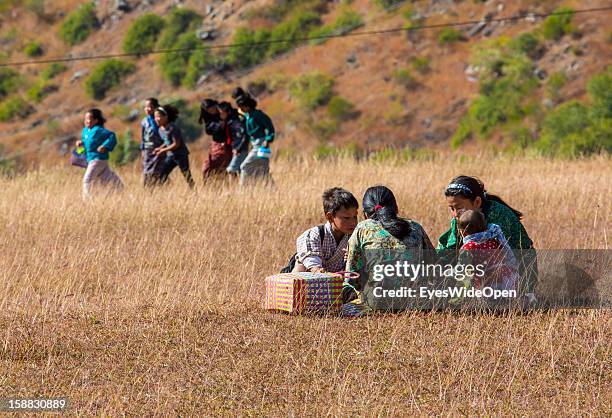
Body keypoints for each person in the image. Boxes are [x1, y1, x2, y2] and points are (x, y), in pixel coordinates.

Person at [436, 175, 537, 301]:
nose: (455, 213)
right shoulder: (459, 219)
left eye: (459, 207)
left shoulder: (498, 219)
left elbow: (505, 259)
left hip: (514, 273)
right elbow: (448, 250)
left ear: (477, 202)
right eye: (452, 208)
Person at [343, 186, 435, 311]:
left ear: (365, 214)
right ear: (395, 208)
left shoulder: (363, 228)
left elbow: (351, 278)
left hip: (377, 302)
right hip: (418, 301)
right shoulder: (415, 227)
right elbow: (433, 265)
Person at [292, 187, 359, 273]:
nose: (353, 222)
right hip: (312, 282)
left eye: (355, 217)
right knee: (300, 268)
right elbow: (313, 264)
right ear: (330, 217)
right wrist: (321, 272)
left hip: (340, 282)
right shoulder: (314, 235)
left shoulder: (355, 237)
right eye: (346, 218)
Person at [457, 209, 520, 292]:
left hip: (486, 285)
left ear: (463, 233)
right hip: (507, 279)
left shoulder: (468, 247)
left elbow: (462, 269)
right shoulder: (494, 242)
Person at [76, 108, 124, 200]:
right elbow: (85, 147)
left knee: (87, 180)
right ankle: (120, 192)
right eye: (85, 119)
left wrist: (105, 146)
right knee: (111, 180)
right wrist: (80, 146)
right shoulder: (85, 131)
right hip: (93, 160)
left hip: (97, 159)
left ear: (96, 120)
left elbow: (111, 136)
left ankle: (87, 202)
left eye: (88, 119)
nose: (86, 121)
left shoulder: (98, 130)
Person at [235, 95, 275, 186]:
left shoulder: (258, 115)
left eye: (242, 107)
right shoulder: (248, 116)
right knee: (262, 169)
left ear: (247, 106)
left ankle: (242, 189)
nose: (241, 109)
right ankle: (273, 189)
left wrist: (268, 139)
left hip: (261, 144)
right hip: (254, 144)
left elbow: (270, 127)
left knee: (244, 166)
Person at [153, 105, 195, 189]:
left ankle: (194, 191)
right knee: (162, 175)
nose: (156, 119)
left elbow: (176, 144)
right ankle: (161, 192)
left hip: (181, 155)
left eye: (159, 116)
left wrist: (163, 150)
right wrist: (160, 148)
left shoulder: (172, 128)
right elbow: (167, 141)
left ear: (166, 117)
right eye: (155, 117)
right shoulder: (160, 130)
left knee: (186, 174)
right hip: (171, 156)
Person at [200, 99, 233, 179]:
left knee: (226, 166)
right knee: (208, 166)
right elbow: (208, 130)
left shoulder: (224, 111)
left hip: (229, 143)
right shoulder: (209, 117)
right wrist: (220, 123)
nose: (212, 112)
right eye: (209, 111)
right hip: (217, 144)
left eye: (213, 109)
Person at [217, 101, 248, 177]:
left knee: (231, 169)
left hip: (240, 150)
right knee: (240, 170)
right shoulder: (230, 120)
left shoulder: (235, 121)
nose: (219, 114)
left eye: (221, 112)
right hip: (237, 149)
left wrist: (238, 148)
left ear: (226, 112)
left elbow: (244, 135)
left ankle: (232, 189)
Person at [140, 97, 164, 187]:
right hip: (148, 150)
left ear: (155, 107)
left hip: (159, 149)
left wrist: (163, 148)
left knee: (157, 171)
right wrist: (142, 149)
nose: (147, 109)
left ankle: (160, 187)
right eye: (146, 107)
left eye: (150, 106)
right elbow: (142, 136)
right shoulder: (144, 121)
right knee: (147, 171)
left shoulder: (159, 119)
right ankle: (147, 189)